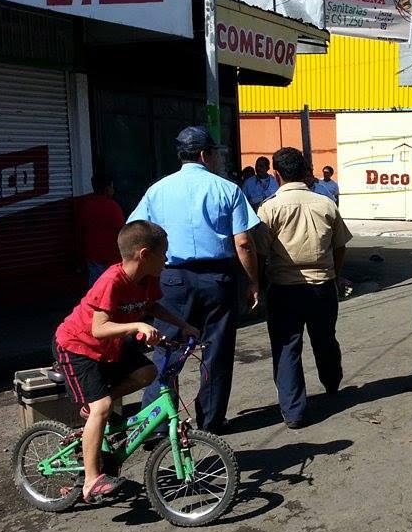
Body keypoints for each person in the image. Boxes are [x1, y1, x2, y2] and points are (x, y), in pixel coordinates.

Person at [128, 125, 260, 434]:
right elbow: (243, 243)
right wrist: (253, 281)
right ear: (205, 154)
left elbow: (134, 231)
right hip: (218, 280)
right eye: (213, 153)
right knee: (216, 352)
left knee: (166, 349)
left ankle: (155, 424)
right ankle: (211, 421)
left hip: (171, 279)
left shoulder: (157, 190)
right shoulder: (227, 189)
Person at [54, 221, 199, 502]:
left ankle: (95, 405)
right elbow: (98, 328)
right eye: (164, 253)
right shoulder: (111, 280)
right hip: (78, 346)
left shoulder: (147, 278)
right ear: (145, 254)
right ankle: (91, 480)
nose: (167, 259)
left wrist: (183, 326)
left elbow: (152, 306)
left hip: (110, 345)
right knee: (103, 407)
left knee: (147, 372)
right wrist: (136, 327)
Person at [256, 148, 352, 428]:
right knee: (325, 337)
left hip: (284, 288)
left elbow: (261, 252)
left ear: (277, 175)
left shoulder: (269, 208)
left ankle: (294, 411)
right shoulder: (325, 204)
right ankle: (332, 382)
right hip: (322, 285)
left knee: (287, 348)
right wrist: (333, 274)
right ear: (304, 171)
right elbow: (340, 247)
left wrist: (259, 285)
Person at [78, 174, 125, 287]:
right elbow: (122, 231)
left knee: (96, 286)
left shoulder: (86, 206)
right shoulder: (113, 207)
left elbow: (82, 229)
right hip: (111, 255)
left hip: (92, 254)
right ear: (107, 188)